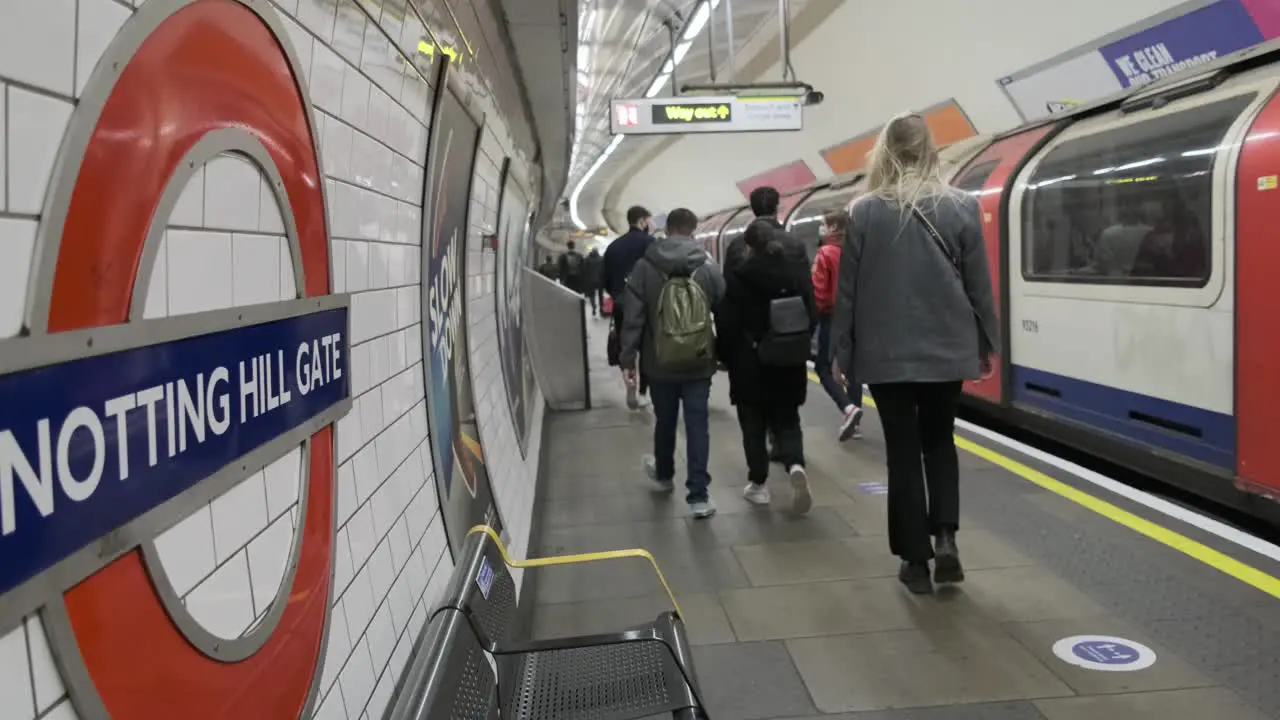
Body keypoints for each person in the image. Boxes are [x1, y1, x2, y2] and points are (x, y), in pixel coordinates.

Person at [831, 111, 999, 595]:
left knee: (902, 452)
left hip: (885, 355)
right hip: (947, 351)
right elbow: (978, 288)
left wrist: (844, 349)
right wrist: (986, 343)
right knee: (940, 443)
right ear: (930, 151)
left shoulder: (864, 212)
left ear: (884, 152)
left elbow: (849, 292)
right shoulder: (962, 206)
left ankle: (914, 561)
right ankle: (944, 536)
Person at [620, 208, 725, 518]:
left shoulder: (645, 266)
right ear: (693, 230)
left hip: (658, 361)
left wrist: (629, 360)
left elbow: (633, 319)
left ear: (666, 230)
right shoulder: (707, 265)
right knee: (697, 424)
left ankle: (664, 474)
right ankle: (698, 496)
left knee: (665, 420)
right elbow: (723, 306)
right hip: (699, 360)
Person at [716, 218, 816, 514]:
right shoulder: (794, 273)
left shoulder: (738, 277)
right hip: (787, 361)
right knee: (787, 418)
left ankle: (758, 485)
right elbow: (810, 312)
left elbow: (727, 323)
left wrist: (724, 356)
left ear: (747, 246)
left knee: (753, 425)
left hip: (749, 363)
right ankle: (795, 464)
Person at [812, 209, 863, 440]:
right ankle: (856, 423)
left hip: (832, 317)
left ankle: (848, 408)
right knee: (852, 368)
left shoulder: (825, 253)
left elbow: (821, 295)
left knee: (823, 368)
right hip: (857, 316)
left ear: (832, 228)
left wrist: (816, 314)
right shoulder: (858, 250)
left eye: (823, 224)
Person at [605, 206, 656, 408]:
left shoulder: (614, 246)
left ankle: (630, 385)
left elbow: (606, 280)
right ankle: (643, 392)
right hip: (646, 304)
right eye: (649, 221)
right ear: (642, 221)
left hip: (621, 304)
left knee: (626, 345)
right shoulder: (651, 243)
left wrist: (618, 296)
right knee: (646, 348)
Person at [724, 186, 783, 271]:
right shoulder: (794, 242)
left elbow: (730, 280)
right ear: (776, 208)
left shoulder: (736, 245)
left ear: (752, 209)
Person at [583, 247, 605, 317]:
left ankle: (594, 307)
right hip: (600, 280)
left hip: (590, 280)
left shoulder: (587, 259)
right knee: (600, 295)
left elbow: (584, 270)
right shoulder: (602, 259)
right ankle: (601, 308)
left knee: (592, 295)